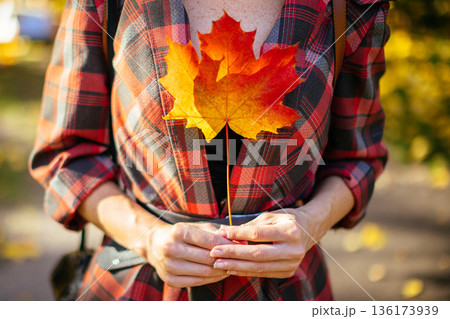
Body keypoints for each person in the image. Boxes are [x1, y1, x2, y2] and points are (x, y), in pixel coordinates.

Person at [29, 0, 390, 301]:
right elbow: (66, 156)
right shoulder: (106, 4)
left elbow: (358, 158)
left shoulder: (350, 8)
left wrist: (310, 223)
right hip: (139, 289)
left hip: (287, 292)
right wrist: (148, 237)